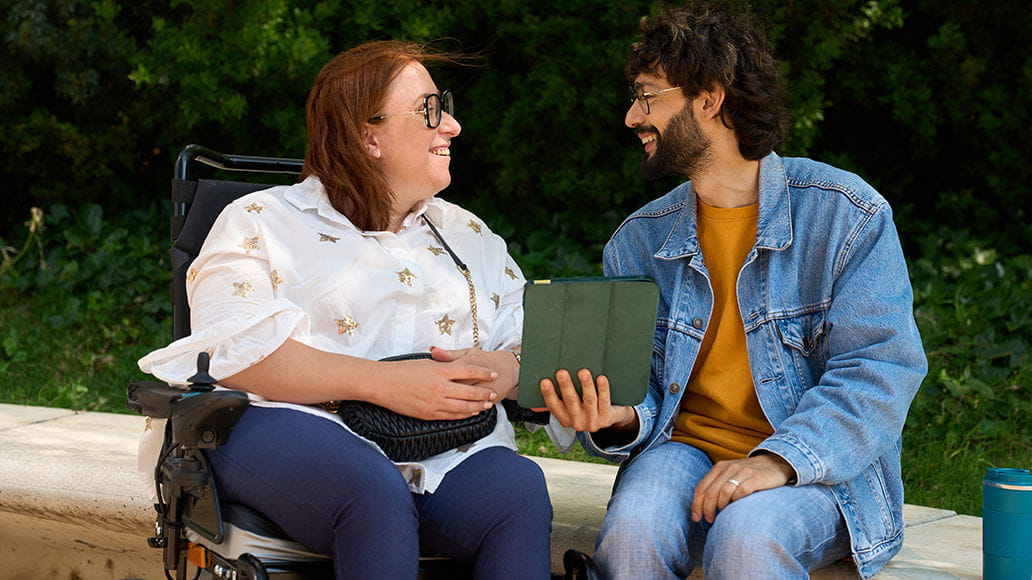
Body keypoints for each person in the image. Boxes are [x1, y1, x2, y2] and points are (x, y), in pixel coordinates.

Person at [137, 41, 552, 579]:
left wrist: (507, 370)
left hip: (444, 448)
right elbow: (234, 352)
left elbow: (531, 338)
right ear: (367, 135)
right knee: (370, 492)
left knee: (517, 493)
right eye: (430, 110)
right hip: (284, 425)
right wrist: (386, 384)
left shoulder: (468, 236)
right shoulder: (260, 221)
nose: (452, 125)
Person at [540, 2, 928, 579]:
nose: (630, 116)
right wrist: (618, 416)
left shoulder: (846, 216)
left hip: (814, 467)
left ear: (709, 98)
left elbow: (879, 373)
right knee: (629, 535)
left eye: (647, 96)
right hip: (680, 450)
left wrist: (776, 459)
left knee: (747, 536)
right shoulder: (638, 242)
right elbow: (643, 390)